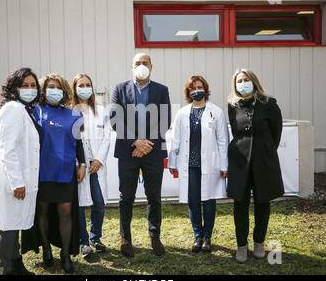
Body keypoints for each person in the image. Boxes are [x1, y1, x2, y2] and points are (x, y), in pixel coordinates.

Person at [21, 74, 85, 273]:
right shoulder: (34, 112)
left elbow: (79, 143)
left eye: (57, 87)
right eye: (50, 87)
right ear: (43, 90)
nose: (54, 90)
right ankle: (46, 249)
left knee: (65, 212)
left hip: (66, 171)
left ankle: (65, 254)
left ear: (64, 90)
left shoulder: (74, 115)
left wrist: (82, 164)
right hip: (42, 172)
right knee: (42, 211)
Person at [110, 53, 171, 258]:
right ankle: (125, 238)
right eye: (138, 63)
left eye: (145, 63)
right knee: (126, 197)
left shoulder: (161, 90)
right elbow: (115, 118)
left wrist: (145, 145)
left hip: (153, 152)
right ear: (131, 66)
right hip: (128, 152)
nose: (141, 66)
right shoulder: (119, 89)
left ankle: (155, 236)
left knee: (154, 197)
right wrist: (136, 142)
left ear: (151, 67)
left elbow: (164, 119)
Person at [227, 68, 284, 263]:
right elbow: (236, 132)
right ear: (235, 85)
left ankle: (259, 242)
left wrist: (264, 151)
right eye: (239, 81)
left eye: (246, 79)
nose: (243, 83)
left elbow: (276, 134)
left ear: (254, 81)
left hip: (263, 161)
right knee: (240, 204)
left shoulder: (269, 104)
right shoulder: (232, 105)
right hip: (240, 162)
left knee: (262, 202)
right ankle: (241, 246)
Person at [0, 67, 41, 275]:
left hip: (18, 177)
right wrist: (17, 182)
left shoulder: (21, 110)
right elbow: (7, 149)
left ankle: (17, 266)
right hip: (12, 180)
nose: (29, 89)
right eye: (24, 85)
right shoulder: (13, 109)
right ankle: (5, 270)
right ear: (14, 88)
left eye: (33, 85)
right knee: (9, 226)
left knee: (15, 222)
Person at [168, 76, 229, 253]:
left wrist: (225, 165)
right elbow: (175, 139)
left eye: (199, 87)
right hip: (190, 164)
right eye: (193, 88)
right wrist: (173, 161)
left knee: (209, 201)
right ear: (188, 92)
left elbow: (223, 141)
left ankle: (208, 237)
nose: (196, 90)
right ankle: (198, 236)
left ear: (206, 89)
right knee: (193, 202)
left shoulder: (215, 112)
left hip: (210, 165)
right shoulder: (182, 113)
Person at [72, 73, 111, 258]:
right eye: (81, 85)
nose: (85, 88)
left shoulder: (101, 111)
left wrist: (99, 160)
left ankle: (96, 237)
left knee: (99, 203)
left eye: (88, 84)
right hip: (78, 166)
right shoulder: (69, 111)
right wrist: (79, 163)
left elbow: (107, 137)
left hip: (96, 165)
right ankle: (83, 241)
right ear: (74, 88)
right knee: (79, 205)